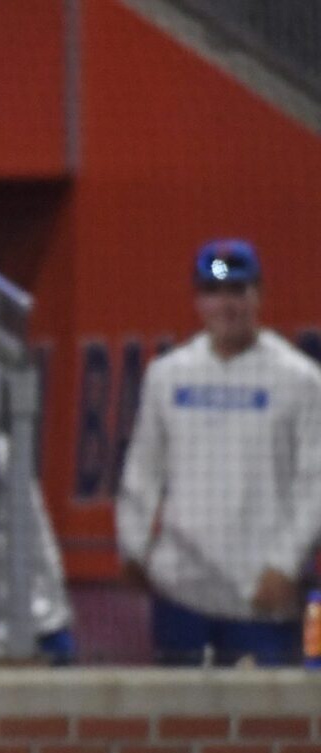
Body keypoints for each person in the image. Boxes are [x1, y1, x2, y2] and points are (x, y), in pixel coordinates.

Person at [116, 239, 321, 666]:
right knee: (177, 706)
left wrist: (286, 564)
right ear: (198, 300)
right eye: (213, 291)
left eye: (237, 291)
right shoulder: (168, 376)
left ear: (259, 295)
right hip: (181, 592)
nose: (226, 305)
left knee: (266, 708)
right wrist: (132, 545)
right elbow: (143, 470)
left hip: (260, 593)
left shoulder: (299, 380)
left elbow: (314, 481)